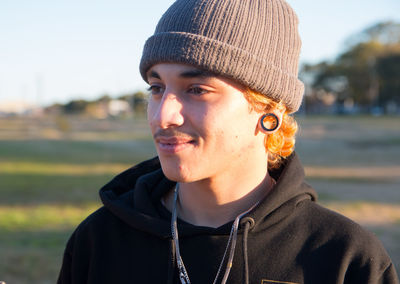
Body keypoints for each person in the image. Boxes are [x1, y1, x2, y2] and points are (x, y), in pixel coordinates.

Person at [58, 0, 399, 283]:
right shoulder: (99, 242)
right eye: (157, 87)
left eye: (196, 90)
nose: (163, 116)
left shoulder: (344, 259)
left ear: (268, 109)